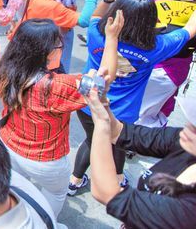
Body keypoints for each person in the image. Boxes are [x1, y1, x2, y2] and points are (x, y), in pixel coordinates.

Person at [0, 10, 121, 217]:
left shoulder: (7, 68)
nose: (62, 49)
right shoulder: (57, 86)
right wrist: (112, 38)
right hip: (45, 159)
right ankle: (44, 222)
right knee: (56, 192)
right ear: (48, 52)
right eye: (59, 45)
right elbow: (104, 80)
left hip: (7, 144)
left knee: (16, 188)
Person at [70, 0, 196, 194]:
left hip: (88, 104)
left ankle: (74, 181)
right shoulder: (156, 47)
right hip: (123, 113)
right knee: (118, 142)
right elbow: (190, 29)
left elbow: (94, 17)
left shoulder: (97, 34)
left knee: (91, 140)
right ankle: (119, 179)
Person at [84, 90, 196, 228]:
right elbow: (120, 133)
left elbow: (107, 193)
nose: (189, 126)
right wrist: (103, 104)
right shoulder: (186, 142)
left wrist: (101, 122)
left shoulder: (190, 211)